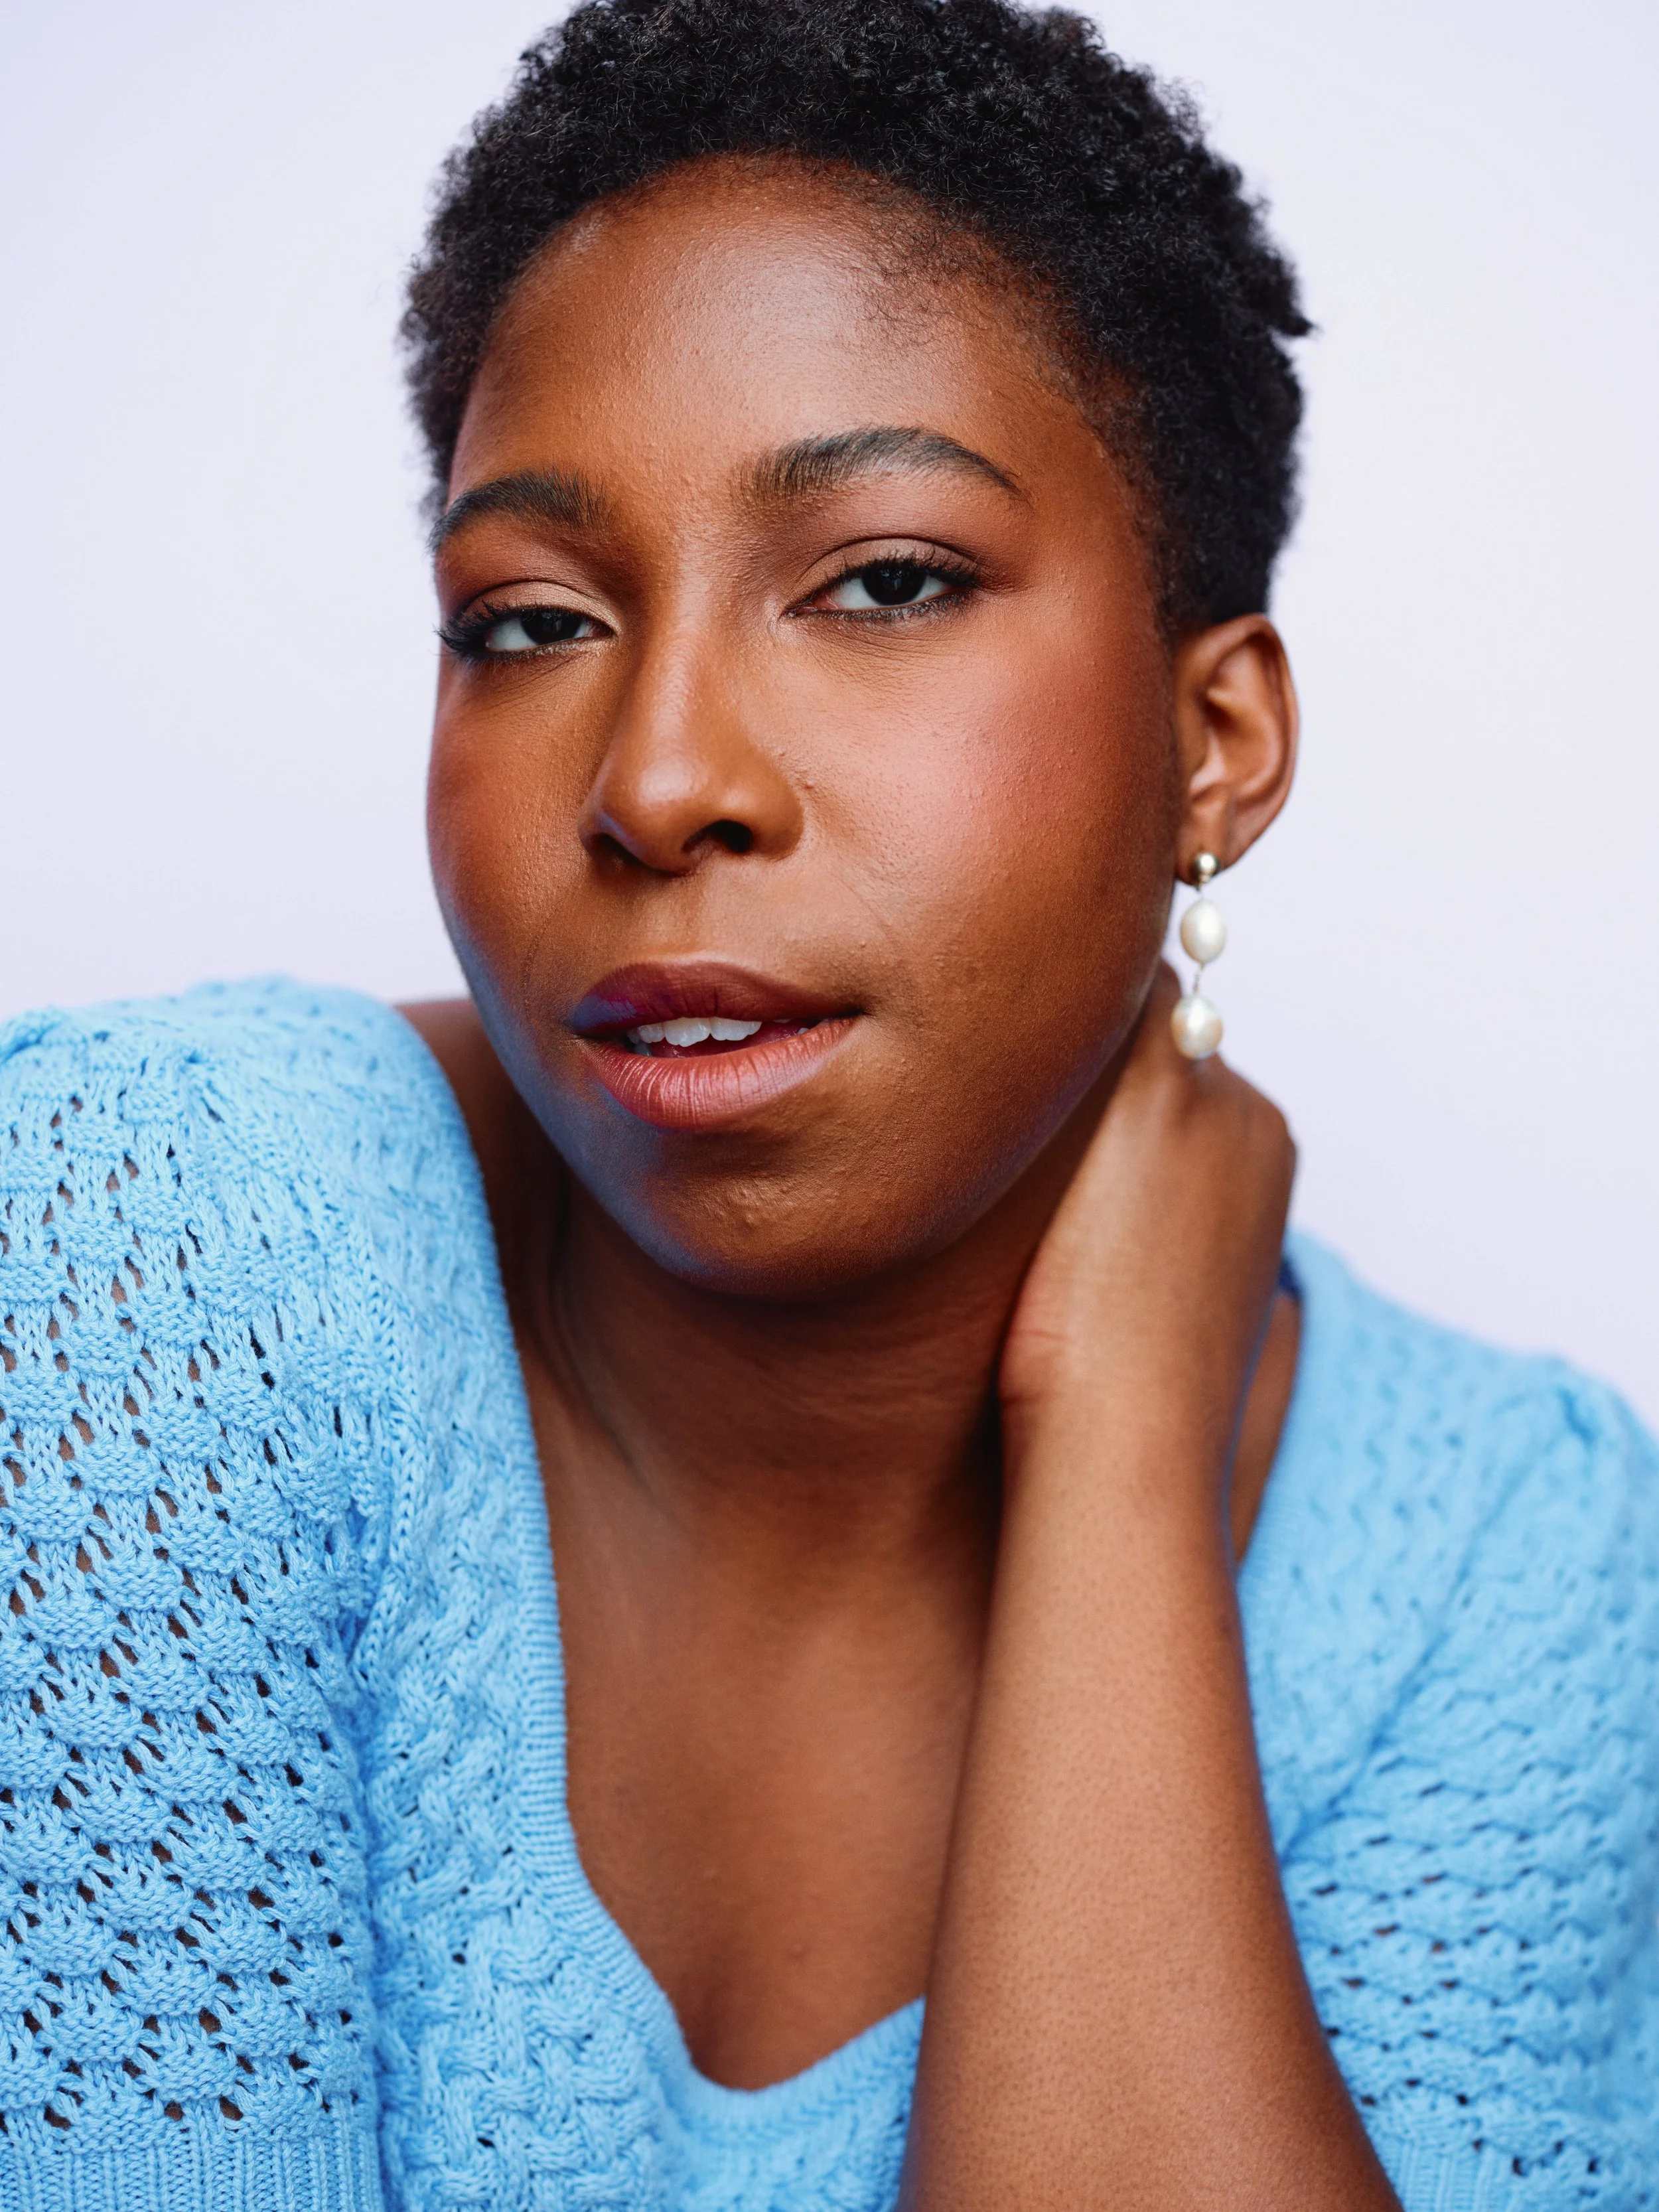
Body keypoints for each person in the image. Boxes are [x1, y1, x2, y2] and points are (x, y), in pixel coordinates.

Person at [2, 1, 1656, 2205]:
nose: (663, 774)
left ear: (1220, 741)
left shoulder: (1514, 1569)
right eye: (530, 619)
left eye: (881, 583)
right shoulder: (167, 1252)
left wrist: (1121, 1463)